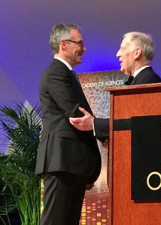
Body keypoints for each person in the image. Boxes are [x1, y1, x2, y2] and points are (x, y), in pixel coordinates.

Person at [35, 24, 106, 225]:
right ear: (63, 44)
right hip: (61, 162)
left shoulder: (66, 74)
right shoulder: (56, 73)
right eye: (80, 43)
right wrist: (103, 132)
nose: (84, 48)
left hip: (71, 164)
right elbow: (76, 114)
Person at [69, 31, 161, 133]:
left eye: (122, 49)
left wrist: (94, 124)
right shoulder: (140, 80)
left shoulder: (149, 80)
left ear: (137, 53)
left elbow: (136, 122)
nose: (118, 54)